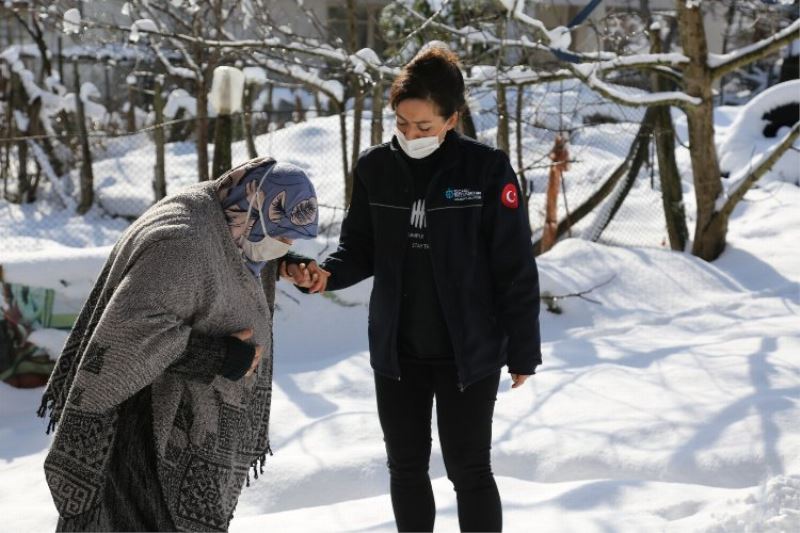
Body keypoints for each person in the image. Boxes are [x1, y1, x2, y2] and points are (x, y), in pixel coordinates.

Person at [285, 44, 541, 532]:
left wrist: (523, 350)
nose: (410, 135)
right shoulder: (375, 168)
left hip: (469, 349)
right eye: (402, 124)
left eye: (423, 126)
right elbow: (359, 246)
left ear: (452, 118)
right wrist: (326, 274)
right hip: (398, 350)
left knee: (470, 470)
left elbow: (514, 266)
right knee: (405, 468)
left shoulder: (485, 170)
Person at [38, 157, 319, 532]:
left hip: (166, 422)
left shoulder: (225, 210)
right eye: (281, 236)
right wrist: (222, 356)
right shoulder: (183, 240)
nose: (284, 246)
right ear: (255, 212)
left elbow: (226, 263)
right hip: (136, 428)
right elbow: (131, 334)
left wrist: (282, 261)